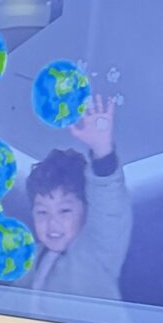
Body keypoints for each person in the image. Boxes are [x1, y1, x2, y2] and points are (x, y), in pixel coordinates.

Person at [24, 92, 132, 305]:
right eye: (42, 212)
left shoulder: (97, 252)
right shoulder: (31, 258)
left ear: (87, 211)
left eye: (65, 210)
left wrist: (102, 150)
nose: (51, 223)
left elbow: (109, 209)